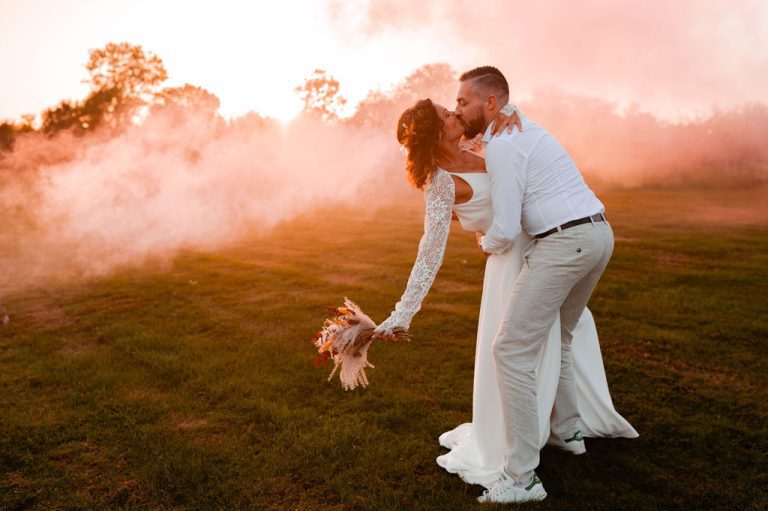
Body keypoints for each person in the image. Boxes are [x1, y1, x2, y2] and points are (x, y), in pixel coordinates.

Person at [374, 91, 638, 504]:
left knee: (563, 336)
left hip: (544, 248)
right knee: (517, 353)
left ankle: (565, 429)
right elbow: (430, 251)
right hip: (509, 265)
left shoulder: (483, 144)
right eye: (447, 114)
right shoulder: (441, 184)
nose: (456, 112)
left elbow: (508, 130)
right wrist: (402, 312)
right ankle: (527, 448)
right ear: (435, 133)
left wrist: (511, 109)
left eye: (455, 107)